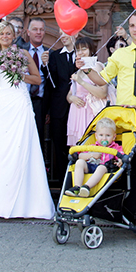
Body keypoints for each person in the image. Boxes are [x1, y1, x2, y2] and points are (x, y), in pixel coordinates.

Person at [84, 11, 136, 226]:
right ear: (129, 29)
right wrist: (86, 69)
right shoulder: (119, 55)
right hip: (124, 117)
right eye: (133, 25)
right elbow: (102, 79)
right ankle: (129, 209)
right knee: (127, 164)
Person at [0, 21, 54, 219]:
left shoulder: (23, 54)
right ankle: (0, 204)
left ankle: (28, 203)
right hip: (3, 104)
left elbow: (37, 79)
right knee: (2, 151)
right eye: (2, 33)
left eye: (8, 33)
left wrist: (20, 75)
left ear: (14, 36)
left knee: (23, 148)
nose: (5, 36)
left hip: (20, 103)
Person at [44, 29, 78, 181]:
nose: (63, 36)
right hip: (59, 107)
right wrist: (45, 66)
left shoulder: (83, 54)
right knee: (59, 143)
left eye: (67, 32)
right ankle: (61, 180)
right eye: (60, 33)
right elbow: (50, 84)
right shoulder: (55, 56)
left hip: (79, 106)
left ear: (75, 34)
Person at [66, 37, 109, 146]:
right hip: (77, 113)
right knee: (76, 149)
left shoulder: (97, 66)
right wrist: (71, 98)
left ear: (91, 50)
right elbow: (70, 94)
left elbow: (103, 93)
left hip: (90, 112)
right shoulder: (79, 70)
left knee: (91, 147)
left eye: (84, 49)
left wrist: (82, 82)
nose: (81, 52)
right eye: (78, 50)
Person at [65, 117, 122, 197]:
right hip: (91, 166)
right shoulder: (92, 146)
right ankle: (76, 187)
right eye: (101, 135)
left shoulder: (115, 147)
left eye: (108, 135)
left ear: (114, 137)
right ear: (96, 136)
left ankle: (86, 187)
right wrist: (91, 155)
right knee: (79, 162)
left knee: (101, 167)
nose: (104, 138)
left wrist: (120, 161)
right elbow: (80, 156)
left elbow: (121, 156)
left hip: (105, 168)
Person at [25, 17, 48, 151]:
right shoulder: (19, 52)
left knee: (38, 139)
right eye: (35, 29)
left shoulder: (50, 53)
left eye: (41, 30)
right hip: (22, 99)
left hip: (40, 103)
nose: (38, 32)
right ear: (28, 32)